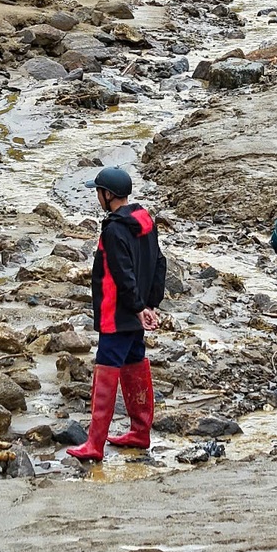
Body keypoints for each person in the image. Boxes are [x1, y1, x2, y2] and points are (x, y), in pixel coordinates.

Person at [66, 166, 166, 461]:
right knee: (135, 361)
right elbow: (160, 263)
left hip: (117, 312)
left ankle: (94, 443)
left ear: (108, 195)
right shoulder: (145, 220)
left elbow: (121, 273)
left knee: (106, 369)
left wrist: (136, 308)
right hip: (137, 310)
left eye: (98, 192)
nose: (97, 197)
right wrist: (149, 305)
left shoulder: (113, 229)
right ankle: (139, 431)